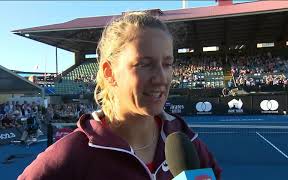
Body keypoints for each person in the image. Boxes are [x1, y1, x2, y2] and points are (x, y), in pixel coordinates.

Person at [18, 12, 222, 180]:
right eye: (144, 64)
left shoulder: (187, 141)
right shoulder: (72, 155)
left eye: (167, 64)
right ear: (109, 73)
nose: (161, 77)